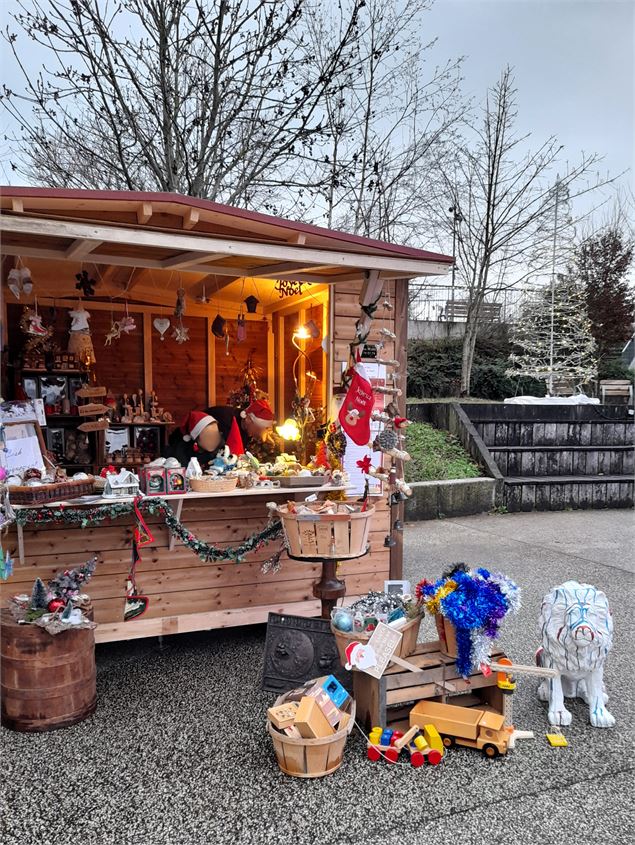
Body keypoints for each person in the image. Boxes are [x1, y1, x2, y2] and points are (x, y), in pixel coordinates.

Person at [164, 409, 244, 468]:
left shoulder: (222, 449)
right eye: (208, 436)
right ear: (196, 438)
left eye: (216, 435)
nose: (214, 440)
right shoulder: (181, 453)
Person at [237, 398, 284, 463]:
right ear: (248, 419)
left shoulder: (250, 434)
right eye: (258, 428)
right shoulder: (228, 420)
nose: (259, 433)